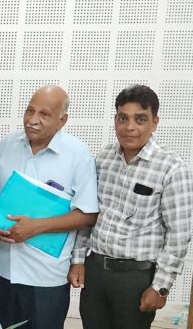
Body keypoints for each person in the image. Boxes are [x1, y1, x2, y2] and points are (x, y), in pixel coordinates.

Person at [72, 85, 193, 329]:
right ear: (115, 120)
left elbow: (179, 235)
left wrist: (161, 287)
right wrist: (78, 259)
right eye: (122, 118)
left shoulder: (171, 168)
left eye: (140, 119)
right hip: (96, 273)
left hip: (136, 278)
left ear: (155, 122)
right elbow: (89, 213)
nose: (129, 127)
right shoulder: (104, 158)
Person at [0, 85, 98, 329]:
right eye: (29, 111)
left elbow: (87, 214)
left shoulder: (77, 154)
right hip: (0, 268)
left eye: (44, 114)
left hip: (45, 276)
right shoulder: (9, 143)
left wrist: (37, 227)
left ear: (62, 121)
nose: (32, 120)